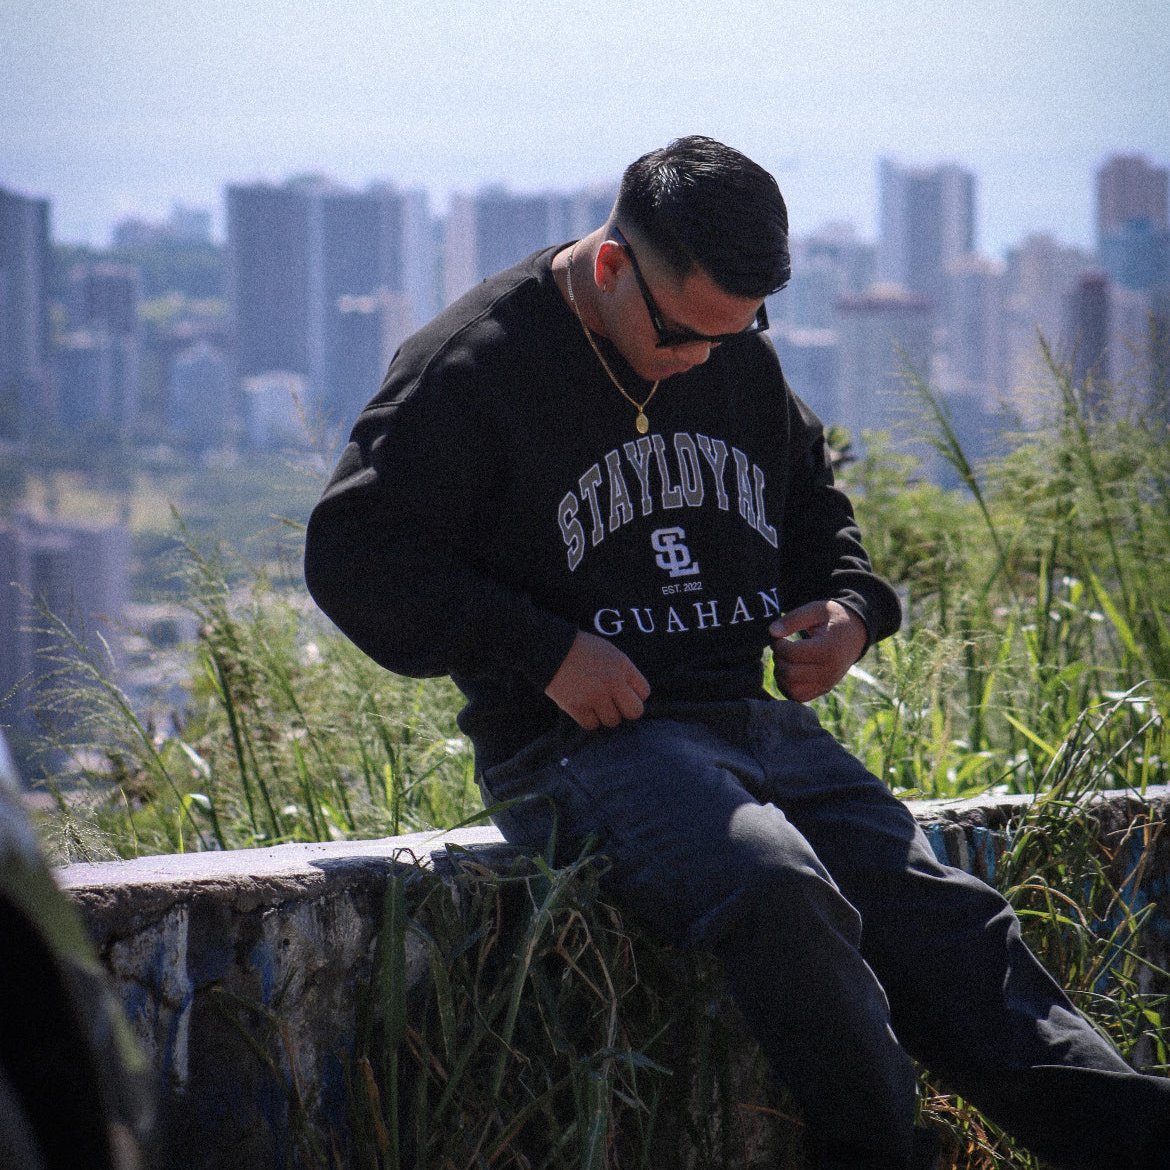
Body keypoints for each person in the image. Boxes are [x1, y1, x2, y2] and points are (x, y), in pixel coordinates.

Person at [304, 136, 1170, 1170]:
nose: (700, 360)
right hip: (583, 745)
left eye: (739, 330)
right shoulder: (472, 368)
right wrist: (542, 651)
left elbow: (812, 501)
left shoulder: (727, 347)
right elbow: (356, 556)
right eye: (681, 335)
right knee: (774, 885)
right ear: (614, 264)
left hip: (753, 726)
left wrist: (849, 609)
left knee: (941, 916)